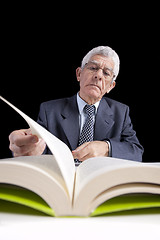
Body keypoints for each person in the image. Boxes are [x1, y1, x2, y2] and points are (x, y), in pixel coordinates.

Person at [9, 46, 144, 163]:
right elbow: (41, 146)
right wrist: (29, 148)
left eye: (106, 73)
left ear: (111, 86)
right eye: (93, 67)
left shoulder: (121, 112)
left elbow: (136, 152)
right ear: (79, 74)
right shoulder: (49, 110)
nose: (98, 75)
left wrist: (107, 147)